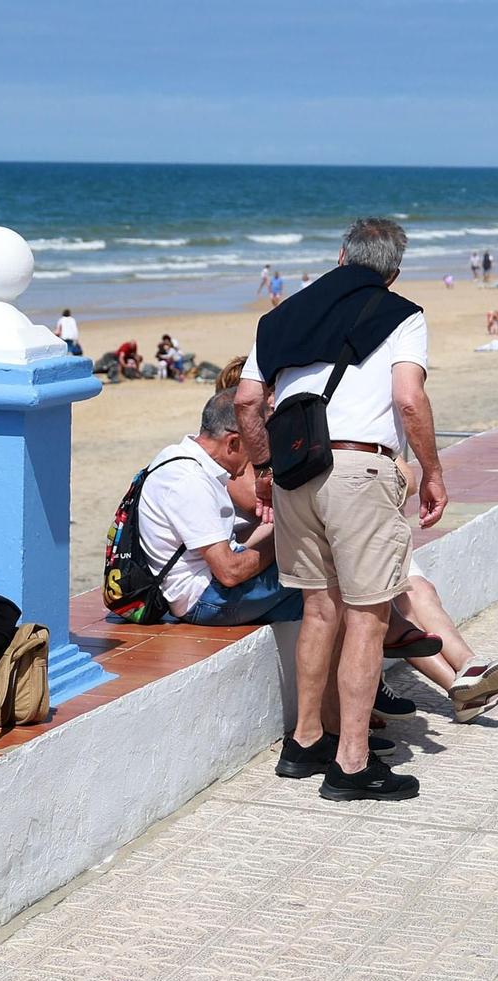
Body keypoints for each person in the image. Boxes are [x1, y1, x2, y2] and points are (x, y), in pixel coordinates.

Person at [235, 217, 448, 801]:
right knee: (367, 616)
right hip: (360, 470)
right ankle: (352, 764)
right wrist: (431, 471)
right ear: (393, 272)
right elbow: (409, 398)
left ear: (339, 257)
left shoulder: (278, 316)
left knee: (318, 609)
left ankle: (305, 744)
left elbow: (248, 400)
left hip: (298, 474)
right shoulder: (402, 313)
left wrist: (263, 469)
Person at [136, 391, 301, 626]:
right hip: (205, 600)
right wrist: (287, 540)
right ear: (232, 442)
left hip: (203, 589)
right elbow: (229, 572)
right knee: (322, 579)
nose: (259, 457)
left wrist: (286, 528)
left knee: (314, 600)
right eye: (256, 446)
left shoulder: (179, 458)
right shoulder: (190, 480)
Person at [387, 458, 498, 722]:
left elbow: (409, 481)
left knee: (423, 590)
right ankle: (462, 690)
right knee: (401, 611)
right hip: (352, 534)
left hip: (385, 532)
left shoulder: (367, 428)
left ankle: (469, 665)